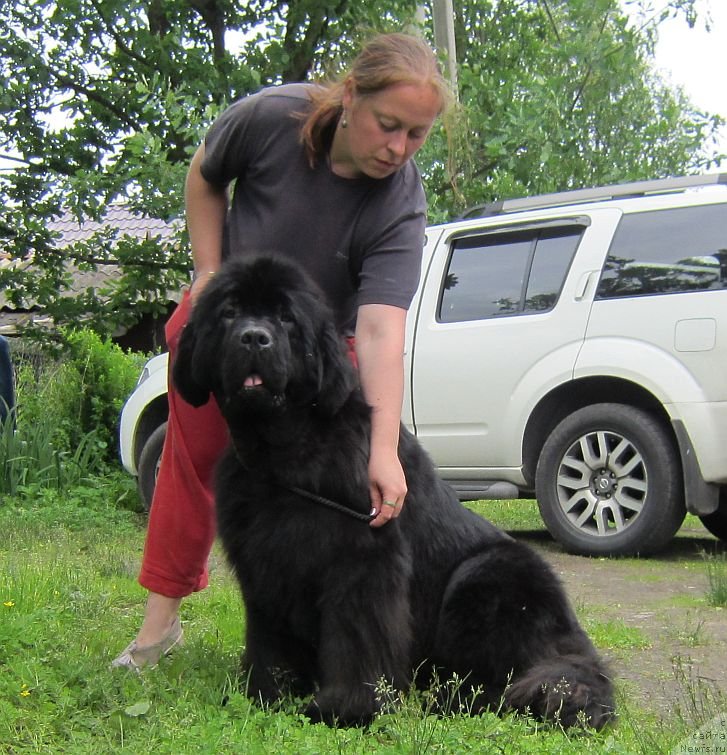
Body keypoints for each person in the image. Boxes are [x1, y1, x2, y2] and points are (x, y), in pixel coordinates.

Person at [112, 31, 451, 670]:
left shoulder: (400, 200)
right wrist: (209, 274)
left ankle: (314, 641)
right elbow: (205, 173)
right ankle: (156, 633)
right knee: (195, 460)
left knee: (319, 481)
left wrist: (382, 449)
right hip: (233, 313)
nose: (397, 149)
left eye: (417, 135)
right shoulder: (270, 117)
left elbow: (379, 329)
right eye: (388, 125)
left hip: (310, 344)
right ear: (351, 97)